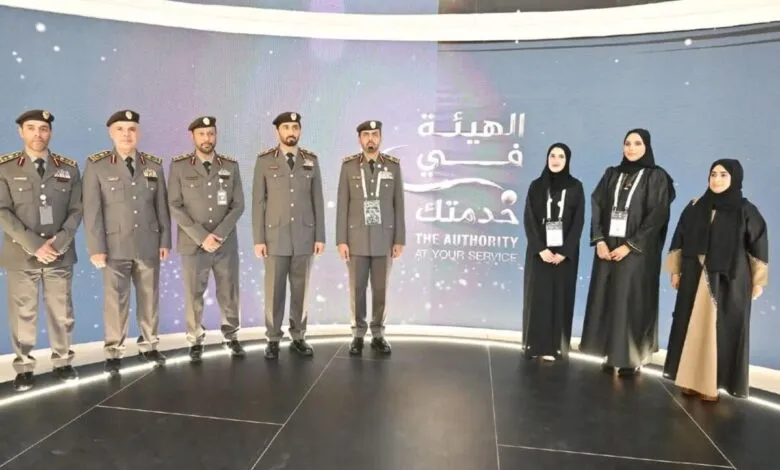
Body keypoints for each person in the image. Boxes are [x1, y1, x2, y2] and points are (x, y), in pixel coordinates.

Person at [663, 159, 768, 400]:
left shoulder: (745, 210)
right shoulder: (695, 206)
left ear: (734, 178)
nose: (717, 179)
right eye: (713, 174)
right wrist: (675, 271)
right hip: (693, 276)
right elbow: (679, 238)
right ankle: (689, 380)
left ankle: (711, 385)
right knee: (690, 327)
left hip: (728, 281)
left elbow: (758, 245)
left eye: (723, 174)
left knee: (716, 331)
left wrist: (759, 281)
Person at [580, 128, 675, 375]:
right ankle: (611, 354)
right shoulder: (611, 174)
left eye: (637, 143)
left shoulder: (657, 177)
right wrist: (599, 241)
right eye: (627, 143)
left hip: (637, 254)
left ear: (647, 147)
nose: (631, 148)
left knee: (631, 300)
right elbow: (597, 204)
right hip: (608, 249)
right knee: (610, 298)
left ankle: (631, 358)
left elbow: (658, 215)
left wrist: (630, 245)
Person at [83, 110, 171, 376]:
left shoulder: (153, 165)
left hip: (148, 243)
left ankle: (150, 345)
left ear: (138, 133)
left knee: (149, 299)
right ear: (111, 132)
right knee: (115, 302)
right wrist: (96, 247)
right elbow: (92, 210)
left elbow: (161, 207)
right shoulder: (97, 165)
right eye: (120, 129)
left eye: (131, 129)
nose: (126, 134)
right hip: (114, 247)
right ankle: (114, 352)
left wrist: (165, 239)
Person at [0, 109, 82, 391]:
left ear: (51, 133)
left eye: (44, 128)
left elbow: (77, 210)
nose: (38, 134)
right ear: (20, 131)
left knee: (62, 312)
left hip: (59, 253)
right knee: (23, 313)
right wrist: (35, 245)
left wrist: (57, 243)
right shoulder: (6, 167)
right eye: (32, 128)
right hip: (21, 254)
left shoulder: (68, 168)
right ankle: (24, 367)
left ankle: (63, 362)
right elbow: (2, 211)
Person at [168, 116, 246, 362]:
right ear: (193, 136)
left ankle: (231, 335)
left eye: (210, 133)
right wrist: (202, 237)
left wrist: (219, 234)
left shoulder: (230, 166)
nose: (206, 139)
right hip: (193, 244)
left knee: (229, 291)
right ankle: (195, 339)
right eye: (201, 134)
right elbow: (175, 205)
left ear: (216, 135)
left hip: (225, 243)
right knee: (194, 294)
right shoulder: (179, 166)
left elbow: (238, 205)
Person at [252, 112, 325, 360]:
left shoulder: (311, 160)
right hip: (275, 237)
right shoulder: (264, 161)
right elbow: (258, 202)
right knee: (274, 291)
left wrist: (320, 236)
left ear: (300, 131)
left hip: (305, 236)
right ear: (278, 132)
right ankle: (273, 339)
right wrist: (259, 239)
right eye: (286, 127)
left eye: (295, 127)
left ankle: (298, 336)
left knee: (301, 289)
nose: (291, 131)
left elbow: (318, 200)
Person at [336, 120, 405, 356]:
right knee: (357, 289)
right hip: (355, 240)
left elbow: (399, 206)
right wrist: (341, 240)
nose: (370, 139)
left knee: (380, 289)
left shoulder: (393, 167)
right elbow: (342, 207)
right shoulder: (348, 166)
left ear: (381, 138)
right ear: (359, 139)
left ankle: (378, 334)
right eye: (366, 135)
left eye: (375, 134)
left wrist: (399, 239)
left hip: (384, 239)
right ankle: (357, 334)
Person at [522, 143, 584, 361]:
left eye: (561, 156)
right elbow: (529, 220)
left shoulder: (576, 187)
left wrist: (564, 251)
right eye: (552, 155)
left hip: (563, 256)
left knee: (560, 299)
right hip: (539, 254)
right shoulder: (536, 186)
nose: (556, 160)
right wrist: (540, 249)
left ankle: (555, 348)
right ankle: (533, 346)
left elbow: (578, 222)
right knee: (537, 299)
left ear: (567, 160)